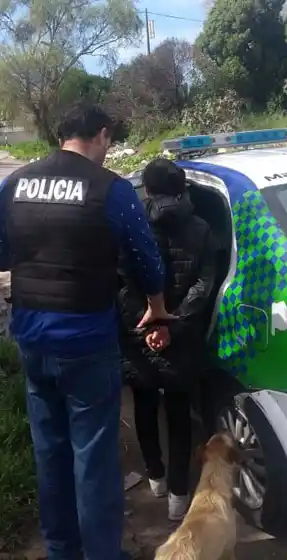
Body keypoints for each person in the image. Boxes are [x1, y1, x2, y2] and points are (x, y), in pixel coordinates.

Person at [0, 103, 174, 560]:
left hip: (33, 341)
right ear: (100, 135)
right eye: (109, 141)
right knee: (94, 460)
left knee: (51, 453)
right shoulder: (111, 190)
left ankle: (62, 551)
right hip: (86, 344)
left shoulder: (15, 183)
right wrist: (156, 308)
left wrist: (33, 258)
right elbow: (146, 262)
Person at [116, 158, 217, 522]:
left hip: (138, 333)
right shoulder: (203, 228)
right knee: (178, 414)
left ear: (147, 189)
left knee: (144, 406)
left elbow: (123, 283)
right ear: (183, 188)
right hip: (181, 333)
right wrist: (172, 325)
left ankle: (155, 477)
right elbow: (204, 285)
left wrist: (145, 327)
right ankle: (178, 494)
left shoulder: (130, 225)